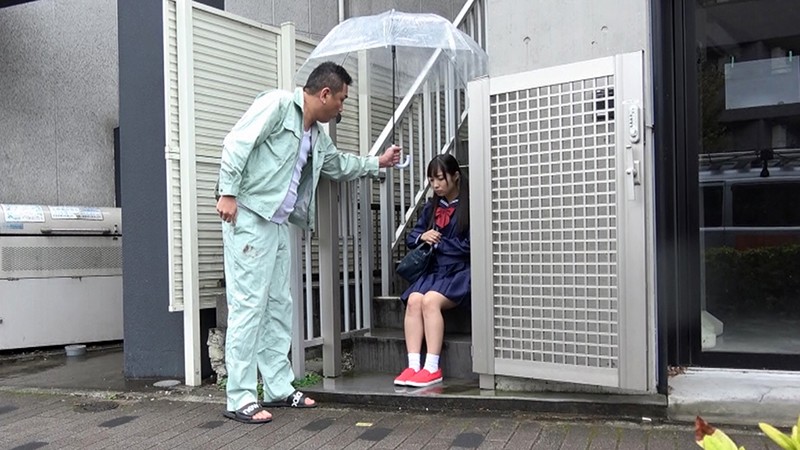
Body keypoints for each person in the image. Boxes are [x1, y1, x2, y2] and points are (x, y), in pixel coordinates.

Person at [216, 62, 402, 424]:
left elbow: (336, 164)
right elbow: (237, 142)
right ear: (325, 94)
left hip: (277, 223)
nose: (342, 107)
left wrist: (376, 162)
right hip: (249, 216)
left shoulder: (315, 134)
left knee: (279, 306)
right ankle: (239, 396)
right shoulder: (277, 105)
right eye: (342, 99)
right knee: (249, 306)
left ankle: (278, 388)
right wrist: (227, 192)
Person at [393, 154, 470, 388]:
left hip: (460, 272)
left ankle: (432, 367)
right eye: (431, 180)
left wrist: (440, 243)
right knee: (414, 300)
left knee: (429, 302)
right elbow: (412, 238)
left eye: (440, 178)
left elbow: (470, 246)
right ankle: (413, 366)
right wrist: (423, 236)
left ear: (455, 176)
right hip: (435, 271)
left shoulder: (469, 205)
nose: (435, 185)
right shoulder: (431, 207)